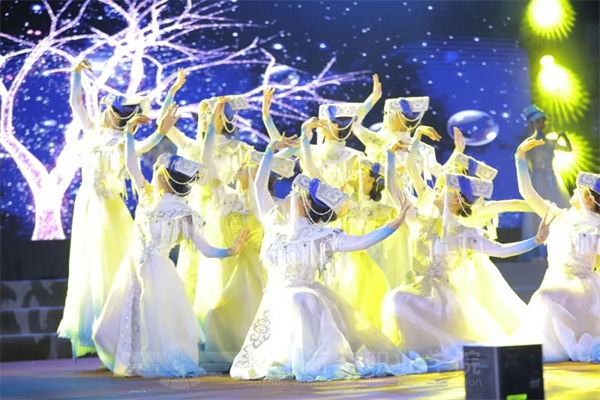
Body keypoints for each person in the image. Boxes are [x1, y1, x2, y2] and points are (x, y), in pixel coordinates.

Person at [230, 136, 428, 381]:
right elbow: (259, 187)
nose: (289, 194)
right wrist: (270, 151)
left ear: (304, 203)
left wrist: (394, 224)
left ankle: (309, 359)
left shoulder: (320, 236)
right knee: (289, 303)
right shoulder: (274, 224)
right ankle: (289, 358)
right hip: (275, 298)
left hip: (303, 298)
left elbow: (361, 241)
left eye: (295, 193)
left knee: (299, 298)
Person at [92, 106, 249, 377]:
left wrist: (230, 251)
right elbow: (131, 164)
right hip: (132, 266)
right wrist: (132, 132)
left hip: (158, 271)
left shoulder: (185, 213)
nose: (154, 171)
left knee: (155, 319)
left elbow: (205, 248)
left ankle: (151, 361)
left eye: (158, 170)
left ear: (166, 178)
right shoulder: (147, 198)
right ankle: (131, 359)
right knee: (114, 324)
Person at [380, 127, 552, 370]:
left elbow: (501, 250)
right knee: (396, 299)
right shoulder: (418, 219)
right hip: (415, 287)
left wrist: (535, 241)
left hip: (443, 297)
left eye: (445, 190)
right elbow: (394, 189)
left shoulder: (463, 233)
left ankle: (435, 348)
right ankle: (416, 349)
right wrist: (389, 157)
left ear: (456, 200)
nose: (438, 190)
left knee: (402, 301)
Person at [58, 59, 165, 359]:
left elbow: (143, 148)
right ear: (109, 111)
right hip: (89, 205)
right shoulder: (92, 131)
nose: (117, 118)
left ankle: (120, 331)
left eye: (124, 116)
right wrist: (76, 75)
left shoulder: (125, 141)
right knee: (90, 265)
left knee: (114, 263)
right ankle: (99, 332)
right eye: (117, 113)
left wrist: (161, 131)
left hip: (112, 207)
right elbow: (76, 103)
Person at [513, 133, 600, 362]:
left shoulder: (597, 226)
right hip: (555, 278)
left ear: (590, 199)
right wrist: (520, 156)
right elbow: (527, 193)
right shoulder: (556, 215)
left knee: (547, 298)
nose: (573, 191)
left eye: (579, 190)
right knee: (545, 298)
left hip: (583, 286)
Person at [521, 104, 572, 260]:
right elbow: (524, 156)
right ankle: (540, 250)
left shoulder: (549, 141)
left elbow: (568, 149)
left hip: (552, 178)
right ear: (533, 124)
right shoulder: (530, 142)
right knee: (539, 210)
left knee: (559, 208)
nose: (542, 124)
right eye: (539, 121)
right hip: (538, 178)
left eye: (543, 121)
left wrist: (563, 137)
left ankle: (563, 248)